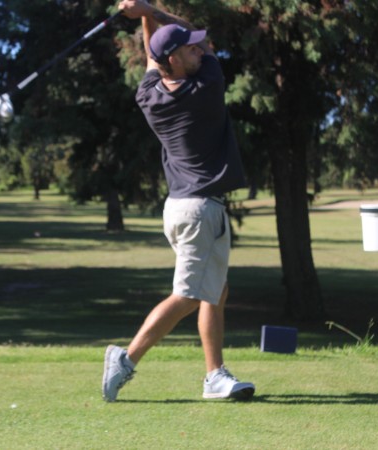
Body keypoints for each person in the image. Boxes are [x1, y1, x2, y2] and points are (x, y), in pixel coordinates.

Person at [102, 0, 255, 402]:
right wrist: (151, 10)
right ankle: (125, 359)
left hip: (181, 208)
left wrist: (144, 15)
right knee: (187, 295)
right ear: (176, 59)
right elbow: (194, 41)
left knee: (215, 291)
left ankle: (215, 376)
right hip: (201, 210)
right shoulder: (207, 87)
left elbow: (154, 57)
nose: (198, 50)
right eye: (190, 49)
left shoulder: (149, 95)